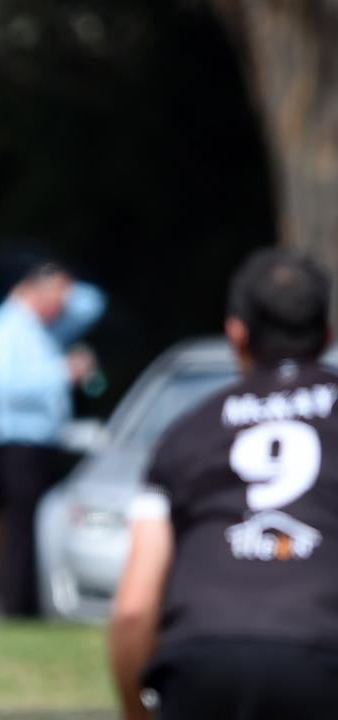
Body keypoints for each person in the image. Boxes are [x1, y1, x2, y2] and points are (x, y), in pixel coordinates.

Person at [109, 248, 338, 720]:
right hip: (321, 657)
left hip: (200, 664)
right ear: (328, 335)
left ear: (236, 334)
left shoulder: (186, 433)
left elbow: (133, 610)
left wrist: (137, 712)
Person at [0, 261, 105, 617]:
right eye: (58, 298)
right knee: (23, 529)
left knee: (45, 525)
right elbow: (5, 389)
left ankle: (37, 604)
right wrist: (62, 372)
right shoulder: (5, 328)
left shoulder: (42, 327)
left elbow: (93, 303)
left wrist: (59, 285)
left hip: (46, 442)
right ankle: (16, 607)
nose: (64, 308)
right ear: (36, 291)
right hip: (19, 444)